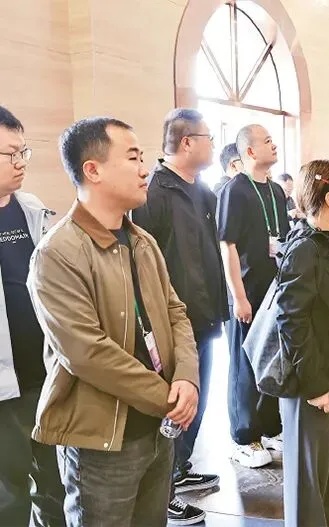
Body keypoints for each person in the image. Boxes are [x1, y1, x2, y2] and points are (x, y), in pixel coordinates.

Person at [28, 116, 200, 527]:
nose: (144, 170)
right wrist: (168, 398)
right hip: (103, 441)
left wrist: (187, 377)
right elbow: (86, 353)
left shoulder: (142, 241)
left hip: (158, 428)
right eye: (133, 157)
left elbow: (175, 311)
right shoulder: (58, 253)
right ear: (93, 170)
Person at [132, 108, 228, 525]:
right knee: (175, 404)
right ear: (187, 142)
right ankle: (165, 489)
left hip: (203, 314)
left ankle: (180, 468)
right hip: (174, 320)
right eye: (208, 137)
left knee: (197, 401)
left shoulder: (202, 191)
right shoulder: (156, 192)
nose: (213, 145)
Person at [263, 160, 329, 527]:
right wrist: (314, 384)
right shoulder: (305, 248)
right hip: (314, 383)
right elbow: (292, 321)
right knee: (308, 486)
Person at [0, 106, 65, 527]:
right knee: (9, 496)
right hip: (3, 390)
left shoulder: (30, 208)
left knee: (57, 486)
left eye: (24, 151)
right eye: (10, 153)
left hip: (44, 375)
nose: (21, 162)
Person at [217, 124, 290, 467]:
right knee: (244, 363)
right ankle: (244, 437)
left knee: (272, 357)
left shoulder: (275, 190)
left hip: (274, 289)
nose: (274, 145)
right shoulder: (235, 190)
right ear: (249, 151)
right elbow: (227, 245)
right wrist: (239, 296)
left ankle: (270, 427)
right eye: (267, 141)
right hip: (247, 289)